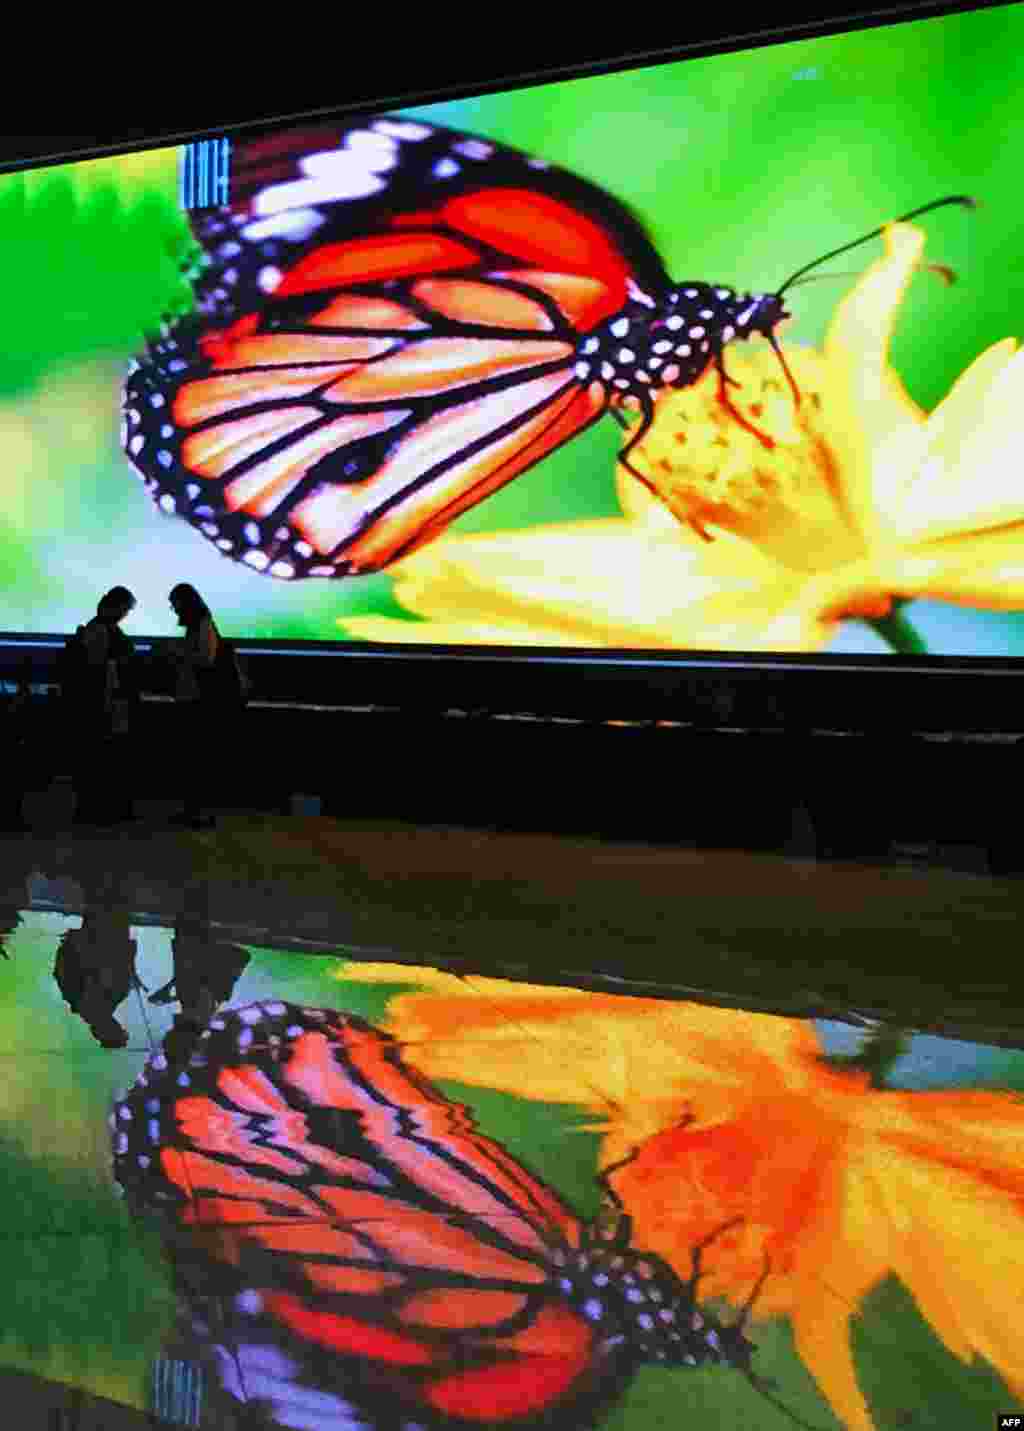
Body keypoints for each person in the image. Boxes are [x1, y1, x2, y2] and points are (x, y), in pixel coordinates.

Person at [68, 586, 140, 826]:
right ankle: (96, 808)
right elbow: (99, 669)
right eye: (126, 609)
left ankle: (97, 807)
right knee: (100, 756)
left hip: (104, 701)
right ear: (117, 606)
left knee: (100, 756)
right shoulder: (101, 629)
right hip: (103, 702)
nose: (126, 614)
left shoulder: (100, 626)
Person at [167, 583, 231, 830]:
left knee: (197, 758)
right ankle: (193, 811)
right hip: (194, 698)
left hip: (198, 701)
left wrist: (176, 654)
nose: (173, 609)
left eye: (175, 604)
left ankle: (199, 812)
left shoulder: (203, 625)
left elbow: (205, 659)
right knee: (194, 758)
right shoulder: (200, 625)